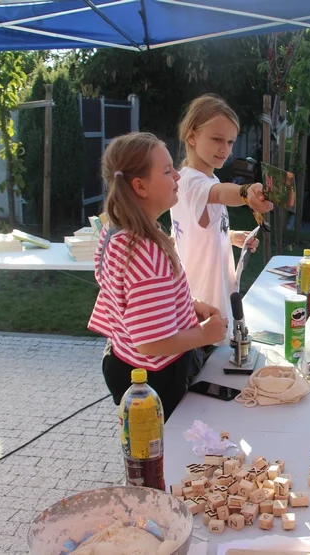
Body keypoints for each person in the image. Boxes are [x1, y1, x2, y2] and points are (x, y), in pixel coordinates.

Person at [88, 132, 229, 420]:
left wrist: (189, 306)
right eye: (167, 171)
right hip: (155, 380)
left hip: (123, 361)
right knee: (165, 453)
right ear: (139, 186)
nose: (177, 175)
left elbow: (133, 304)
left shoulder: (114, 231)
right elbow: (151, 343)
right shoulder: (146, 253)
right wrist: (205, 334)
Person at [171, 94, 273, 348]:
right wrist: (246, 193)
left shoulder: (204, 180)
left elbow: (192, 231)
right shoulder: (192, 182)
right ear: (192, 136)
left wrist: (230, 236)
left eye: (230, 141)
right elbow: (220, 194)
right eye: (217, 139)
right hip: (202, 307)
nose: (225, 149)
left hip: (209, 301)